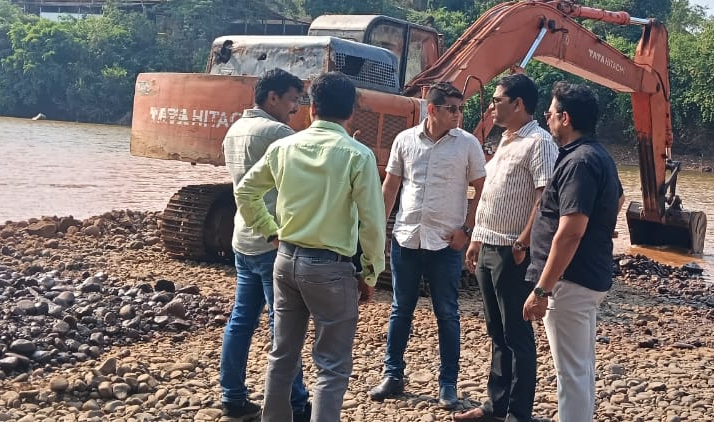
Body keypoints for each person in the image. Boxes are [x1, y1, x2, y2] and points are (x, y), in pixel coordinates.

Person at [234, 73, 388, 422]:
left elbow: (245, 192)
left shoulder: (284, 147)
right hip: (331, 269)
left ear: (312, 108)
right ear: (351, 113)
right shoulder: (357, 156)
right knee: (331, 366)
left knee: (282, 355)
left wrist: (270, 231)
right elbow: (372, 224)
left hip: (285, 260)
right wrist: (370, 273)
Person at [369, 82, 486, 409]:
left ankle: (447, 384)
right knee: (400, 310)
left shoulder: (467, 145)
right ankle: (393, 375)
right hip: (407, 239)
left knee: (447, 313)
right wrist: (378, 231)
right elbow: (391, 187)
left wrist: (467, 229)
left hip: (446, 245)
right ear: (432, 109)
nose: (458, 115)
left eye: (460, 109)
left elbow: (482, 189)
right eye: (452, 109)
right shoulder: (405, 140)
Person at [456, 74, 558, 422]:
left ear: (518, 104)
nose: (492, 106)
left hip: (512, 251)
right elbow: (493, 194)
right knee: (496, 331)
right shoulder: (505, 140)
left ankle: (518, 413)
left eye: (498, 100)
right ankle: (495, 405)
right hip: (489, 246)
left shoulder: (540, 143)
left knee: (516, 332)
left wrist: (523, 241)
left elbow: (545, 199)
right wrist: (476, 239)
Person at [522, 82, 623, 422]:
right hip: (584, 276)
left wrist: (542, 289)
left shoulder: (579, 161)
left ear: (565, 118)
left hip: (570, 281)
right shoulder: (597, 155)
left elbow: (570, 231)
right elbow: (617, 199)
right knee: (579, 366)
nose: (546, 117)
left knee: (572, 373)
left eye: (549, 113)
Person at [219, 68, 310, 421]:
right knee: (283, 325)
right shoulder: (277, 133)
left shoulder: (235, 129)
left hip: (244, 236)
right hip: (273, 239)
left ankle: (233, 396)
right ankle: (296, 402)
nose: (295, 109)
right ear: (271, 97)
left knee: (241, 320)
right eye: (291, 100)